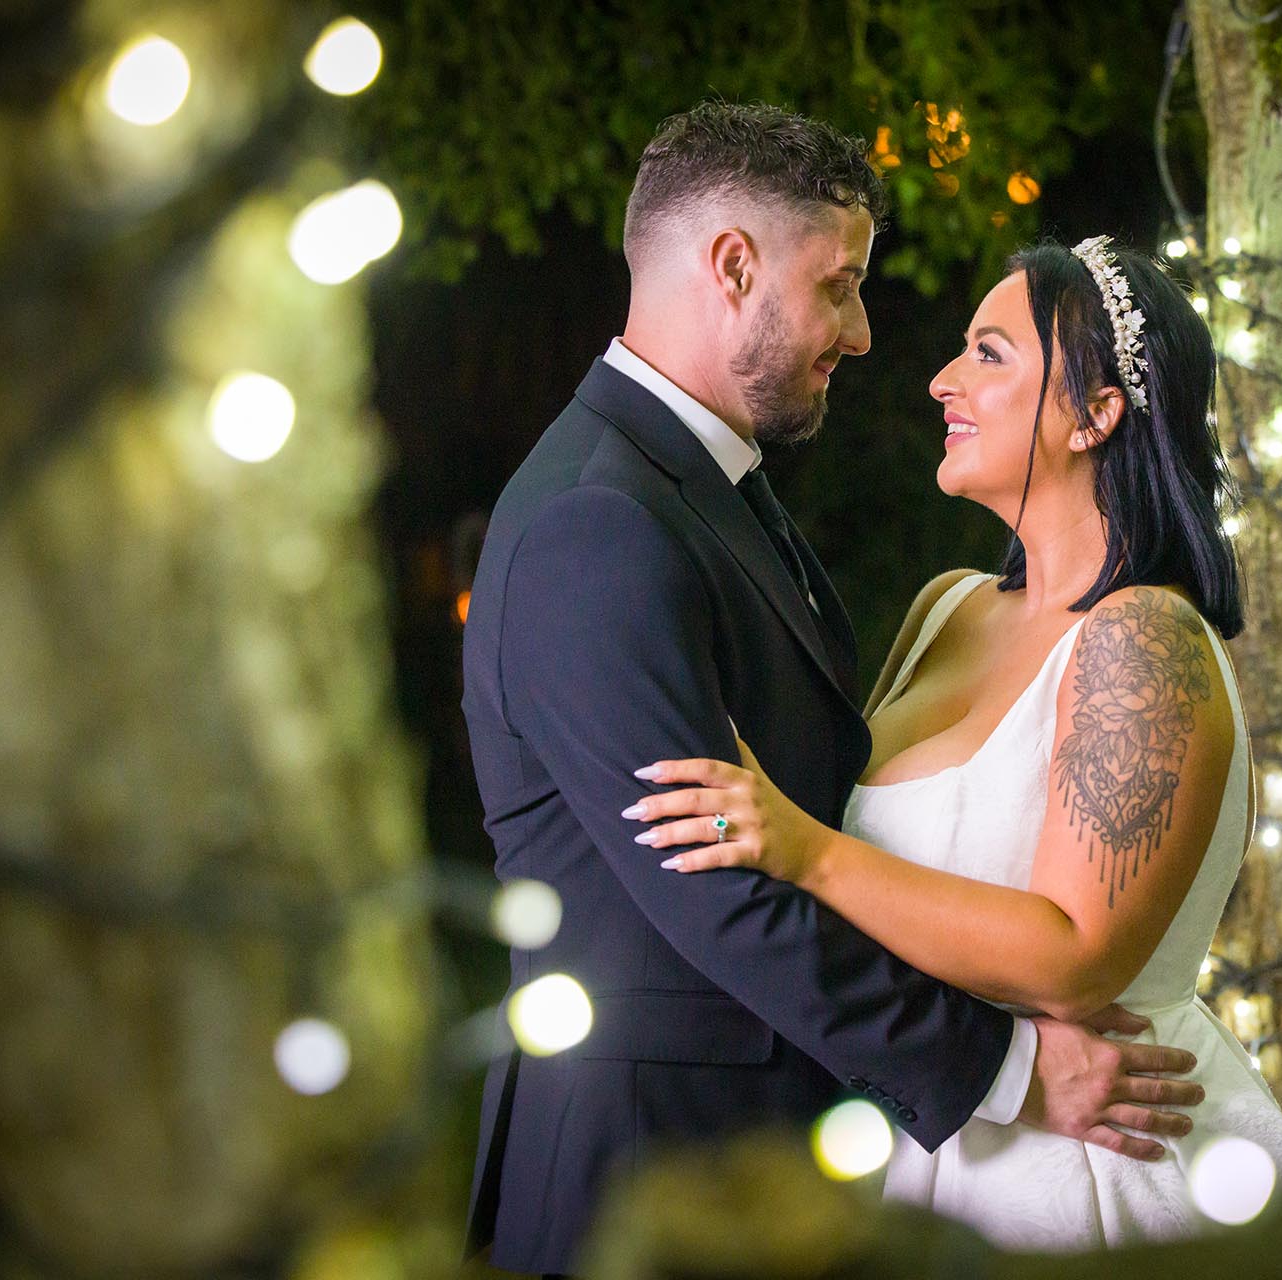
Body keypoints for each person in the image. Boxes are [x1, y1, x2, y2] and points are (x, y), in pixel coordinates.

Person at [459, 103, 1205, 1278]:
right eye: (840, 286)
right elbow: (715, 885)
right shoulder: (598, 522)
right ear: (733, 267)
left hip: (789, 1153)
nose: (863, 336)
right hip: (646, 1154)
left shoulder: (707, 492)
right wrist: (1007, 1070)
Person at [627, 235, 1282, 1249]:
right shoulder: (946, 608)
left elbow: (1074, 954)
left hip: (1096, 1164)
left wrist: (806, 851)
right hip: (941, 1129)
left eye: (990, 353)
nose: (942, 380)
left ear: (1095, 413)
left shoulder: (1143, 640)